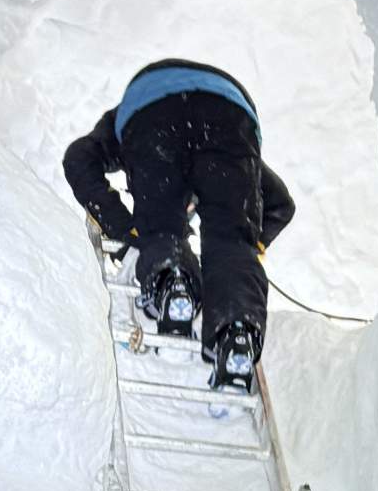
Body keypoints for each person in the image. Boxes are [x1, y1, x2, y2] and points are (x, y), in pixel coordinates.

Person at [63, 58, 295, 392]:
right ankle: (236, 334)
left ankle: (172, 280)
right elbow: (280, 205)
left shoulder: (118, 130)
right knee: (231, 241)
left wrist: (128, 232)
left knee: (161, 229)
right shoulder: (225, 159)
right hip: (229, 115)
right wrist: (247, 250)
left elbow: (78, 158)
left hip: (152, 112)